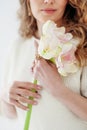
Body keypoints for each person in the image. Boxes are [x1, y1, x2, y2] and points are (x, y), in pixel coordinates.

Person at [0, 0, 87, 130]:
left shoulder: (82, 46)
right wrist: (7, 98)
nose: (48, 1)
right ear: (27, 3)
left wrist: (59, 90)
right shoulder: (18, 46)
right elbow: (10, 114)